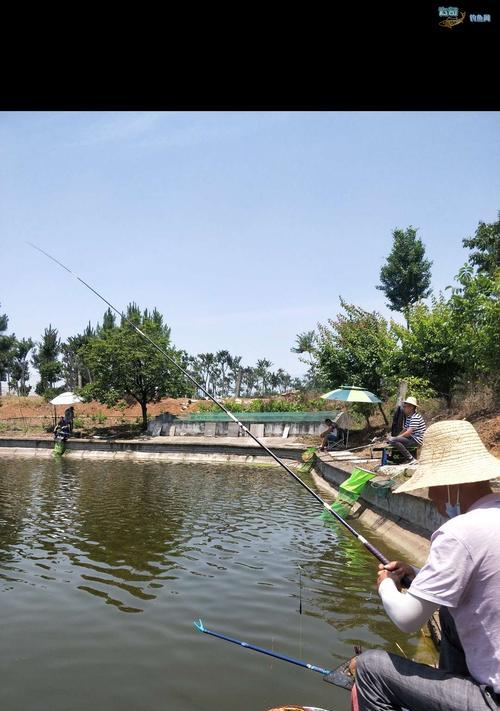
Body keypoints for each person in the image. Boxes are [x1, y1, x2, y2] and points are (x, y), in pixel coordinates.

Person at [353, 419, 500, 711]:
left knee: (369, 668)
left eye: (432, 486)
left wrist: (385, 586)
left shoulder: (460, 532)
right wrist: (415, 575)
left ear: (451, 484)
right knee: (447, 609)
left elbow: (407, 619)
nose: (431, 497)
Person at [387, 396, 426, 465]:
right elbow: (405, 429)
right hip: (412, 438)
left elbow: (408, 432)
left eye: (405, 407)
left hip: (416, 440)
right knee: (393, 440)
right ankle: (404, 458)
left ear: (411, 407)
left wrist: (396, 438)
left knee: (393, 440)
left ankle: (411, 459)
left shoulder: (415, 417)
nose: (404, 408)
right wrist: (397, 437)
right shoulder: (409, 417)